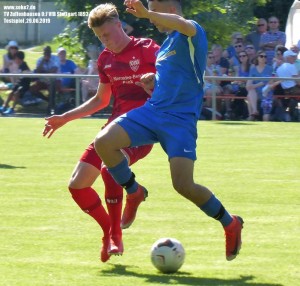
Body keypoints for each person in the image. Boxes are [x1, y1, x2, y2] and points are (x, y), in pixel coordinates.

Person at [94, 0, 244, 261]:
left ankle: (230, 223)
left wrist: (147, 12)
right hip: (152, 112)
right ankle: (134, 191)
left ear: (170, 9)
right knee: (104, 142)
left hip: (180, 122)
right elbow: (172, 82)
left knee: (183, 185)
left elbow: (183, 25)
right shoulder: (166, 46)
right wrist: (153, 83)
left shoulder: (191, 31)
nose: (151, 20)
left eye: (155, 11)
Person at [42, 3, 159, 262]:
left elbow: (172, 86)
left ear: (119, 25)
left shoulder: (148, 49)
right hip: (112, 129)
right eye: (100, 37)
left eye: (108, 34)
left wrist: (155, 85)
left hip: (142, 129)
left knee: (109, 170)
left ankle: (116, 236)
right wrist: (65, 118)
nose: (105, 41)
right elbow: (100, 100)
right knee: (77, 185)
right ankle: (109, 230)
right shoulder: (106, 58)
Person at [246, 50, 273, 120]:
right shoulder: (253, 69)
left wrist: (254, 86)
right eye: (261, 56)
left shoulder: (269, 68)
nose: (263, 58)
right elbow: (249, 83)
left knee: (250, 93)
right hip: (256, 93)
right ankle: (254, 112)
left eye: (265, 56)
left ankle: (252, 115)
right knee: (250, 92)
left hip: (266, 93)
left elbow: (267, 82)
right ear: (257, 58)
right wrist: (249, 86)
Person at [276, 50, 300, 121]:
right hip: (294, 91)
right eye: (292, 56)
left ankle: (288, 114)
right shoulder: (292, 66)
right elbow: (298, 82)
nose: (294, 58)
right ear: (287, 57)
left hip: (285, 92)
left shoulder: (279, 68)